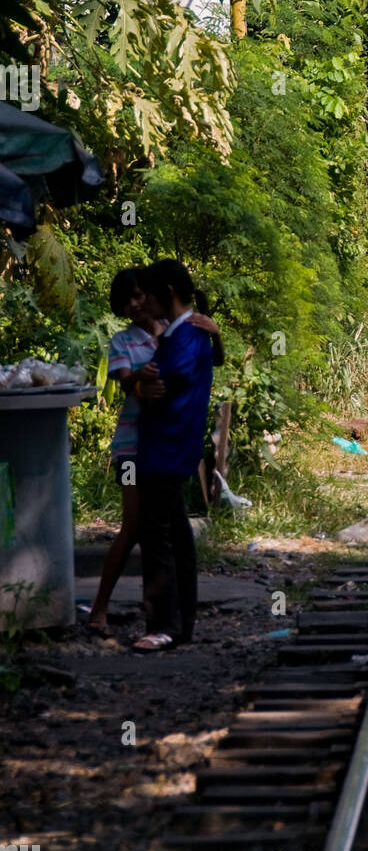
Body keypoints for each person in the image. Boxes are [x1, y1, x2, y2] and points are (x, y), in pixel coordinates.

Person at [87, 268, 222, 636]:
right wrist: (140, 381)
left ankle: (143, 614)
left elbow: (202, 362)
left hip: (155, 445)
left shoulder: (179, 330)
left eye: (139, 296)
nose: (135, 304)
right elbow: (126, 383)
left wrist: (216, 333)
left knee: (144, 526)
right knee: (133, 525)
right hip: (130, 448)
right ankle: (101, 608)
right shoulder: (123, 341)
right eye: (128, 300)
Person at [132, 260, 215, 653]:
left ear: (167, 291)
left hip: (167, 448)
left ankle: (164, 624)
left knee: (158, 536)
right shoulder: (190, 332)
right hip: (172, 448)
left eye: (149, 294)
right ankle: (180, 623)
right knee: (176, 533)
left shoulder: (187, 337)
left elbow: (163, 382)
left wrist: (145, 380)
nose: (144, 303)